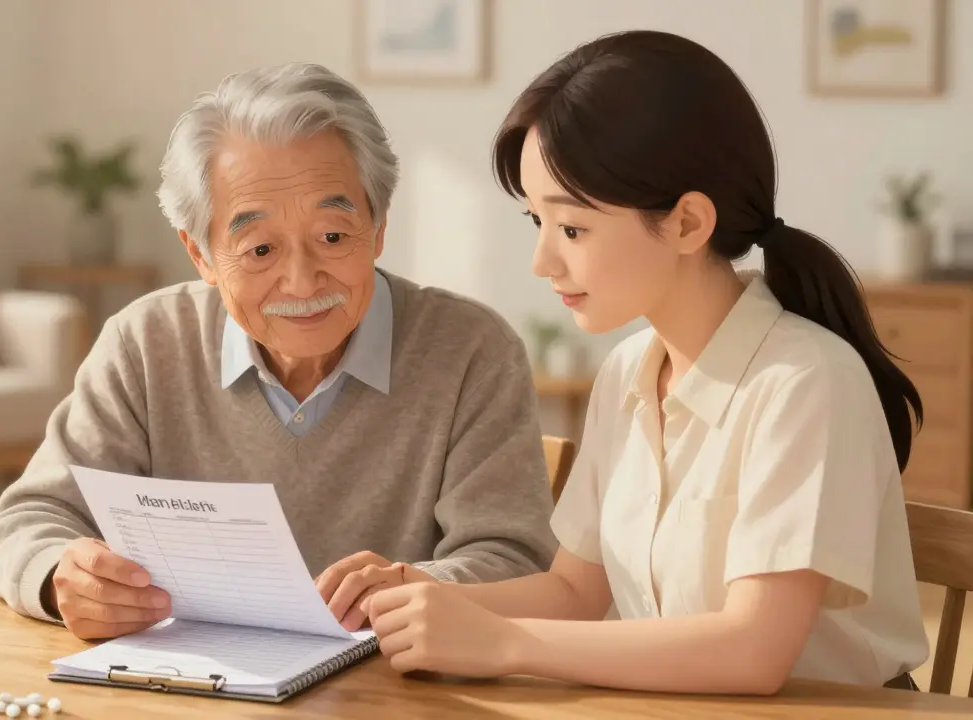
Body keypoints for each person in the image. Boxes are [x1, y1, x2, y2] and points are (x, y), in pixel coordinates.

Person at [366, 30, 930, 694]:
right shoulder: (628, 372)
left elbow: (752, 650)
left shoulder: (806, 383)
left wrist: (505, 643)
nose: (543, 262)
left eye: (572, 228)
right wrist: (406, 597)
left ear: (689, 223)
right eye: (535, 223)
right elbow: (576, 589)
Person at [0, 62, 558, 641]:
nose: (303, 283)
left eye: (332, 237)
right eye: (259, 249)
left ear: (379, 227)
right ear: (201, 254)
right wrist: (64, 580)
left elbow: (514, 557)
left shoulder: (471, 351)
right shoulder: (146, 342)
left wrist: (416, 589)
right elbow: (28, 521)